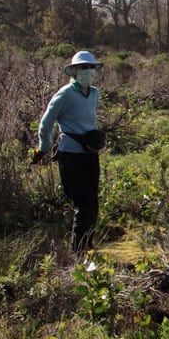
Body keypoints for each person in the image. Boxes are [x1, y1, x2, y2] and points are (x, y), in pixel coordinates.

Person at [35, 50, 105, 252]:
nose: (88, 71)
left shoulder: (94, 93)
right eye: (83, 68)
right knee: (83, 204)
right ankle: (79, 251)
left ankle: (87, 245)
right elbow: (47, 122)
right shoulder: (65, 94)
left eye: (91, 67)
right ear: (74, 71)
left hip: (90, 154)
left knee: (92, 203)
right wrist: (44, 148)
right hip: (71, 155)